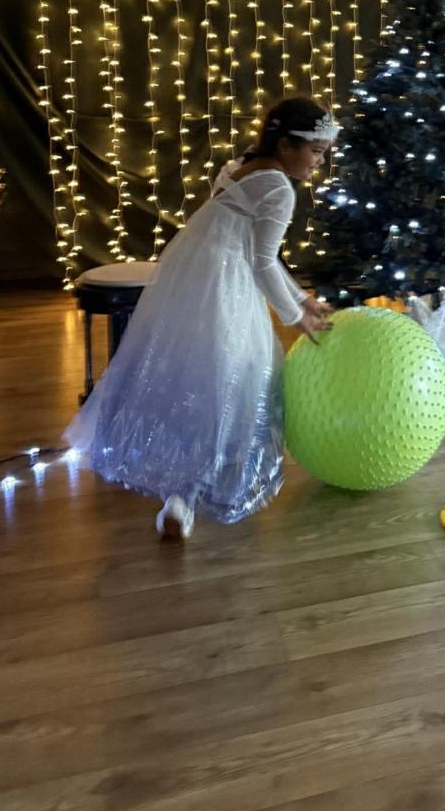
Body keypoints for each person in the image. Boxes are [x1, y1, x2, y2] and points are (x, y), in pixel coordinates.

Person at [65, 97, 336, 539]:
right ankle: (191, 490)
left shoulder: (241, 167)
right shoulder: (279, 189)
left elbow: (262, 255)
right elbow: (262, 262)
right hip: (227, 283)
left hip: (193, 272)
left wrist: (300, 298)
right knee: (240, 378)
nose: (319, 163)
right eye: (316, 152)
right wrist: (293, 316)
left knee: (196, 372)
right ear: (286, 145)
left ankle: (180, 478)